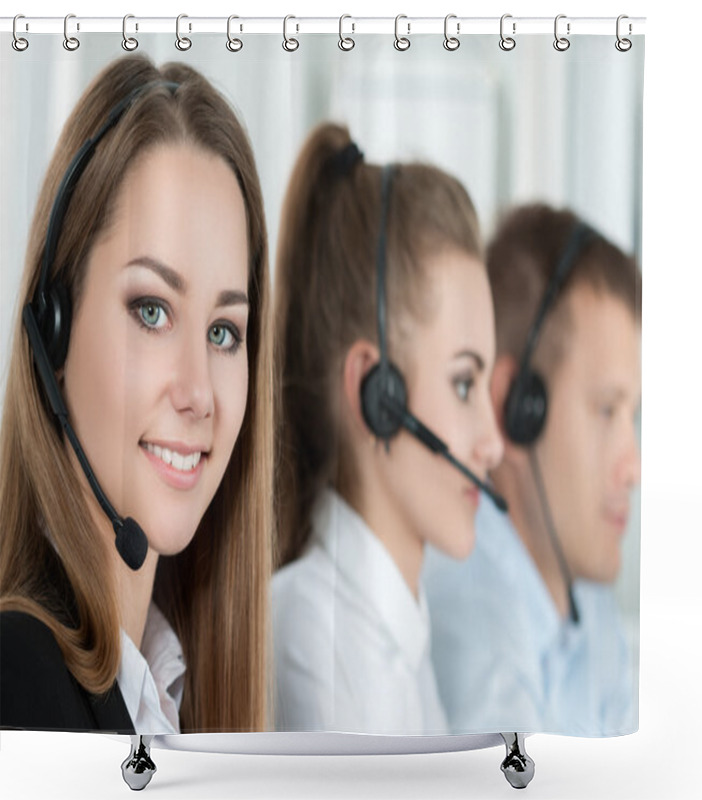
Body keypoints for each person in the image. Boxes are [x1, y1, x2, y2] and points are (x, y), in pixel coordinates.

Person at [0, 55, 273, 734]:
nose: (198, 393)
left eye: (223, 330)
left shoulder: (167, 688)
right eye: (152, 310)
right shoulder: (17, 688)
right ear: (51, 330)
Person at [271, 122, 504, 734]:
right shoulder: (317, 645)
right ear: (377, 395)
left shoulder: (395, 630)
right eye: (463, 384)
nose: (494, 442)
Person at [423, 203, 642, 736]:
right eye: (607, 410)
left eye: (634, 416)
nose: (633, 466)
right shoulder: (473, 612)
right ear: (516, 411)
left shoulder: (584, 597)